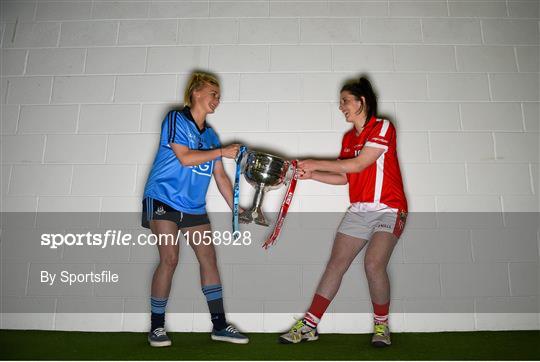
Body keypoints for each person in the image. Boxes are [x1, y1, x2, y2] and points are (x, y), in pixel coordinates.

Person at [279, 76, 407, 347]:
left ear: (362, 101)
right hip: (359, 210)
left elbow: (359, 164)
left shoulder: (382, 127)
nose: (341, 107)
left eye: (345, 101)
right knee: (335, 265)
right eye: (340, 103)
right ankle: (310, 324)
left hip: (389, 209)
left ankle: (381, 326)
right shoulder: (349, 138)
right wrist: (311, 175)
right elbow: (345, 177)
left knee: (373, 263)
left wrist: (313, 162)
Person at [142, 71, 248, 347]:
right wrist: (222, 152)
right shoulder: (176, 119)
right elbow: (186, 157)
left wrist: (238, 209)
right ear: (196, 93)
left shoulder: (212, 135)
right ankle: (156, 327)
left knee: (209, 258)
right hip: (163, 198)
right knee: (170, 258)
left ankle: (219, 325)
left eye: (219, 96)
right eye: (213, 94)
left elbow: (221, 178)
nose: (217, 100)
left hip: (192, 206)